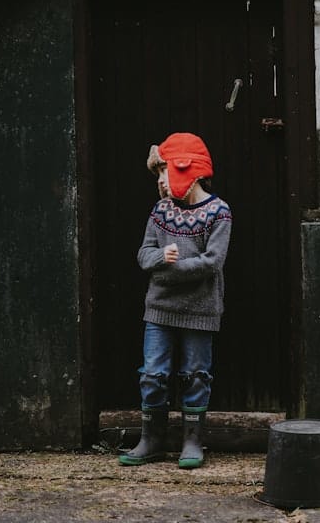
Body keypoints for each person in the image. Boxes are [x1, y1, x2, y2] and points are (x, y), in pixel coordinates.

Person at [118, 132, 232, 469]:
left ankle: (192, 441)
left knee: (196, 374)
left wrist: (169, 269)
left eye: (163, 172)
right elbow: (143, 255)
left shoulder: (218, 212)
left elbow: (212, 263)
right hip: (160, 309)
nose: (162, 182)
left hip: (200, 310)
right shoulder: (160, 211)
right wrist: (158, 260)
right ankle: (151, 440)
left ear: (188, 169)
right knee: (152, 374)